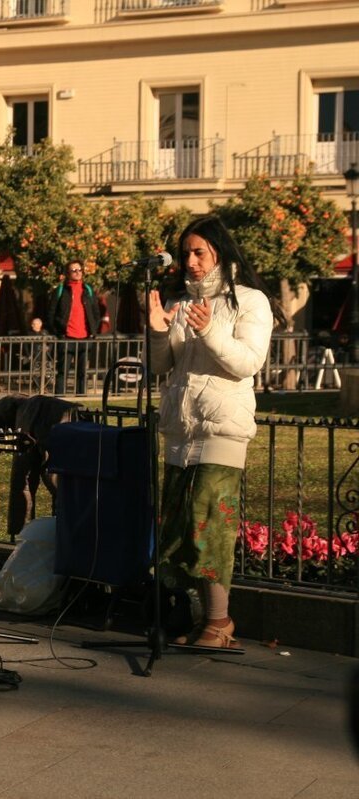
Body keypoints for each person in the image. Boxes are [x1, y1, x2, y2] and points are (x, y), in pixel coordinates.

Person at [148, 215, 277, 649]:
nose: (190, 261)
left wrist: (209, 329)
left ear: (219, 251)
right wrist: (158, 330)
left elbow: (247, 362)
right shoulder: (182, 302)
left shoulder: (250, 301)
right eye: (185, 253)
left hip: (222, 430)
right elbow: (162, 365)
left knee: (210, 527)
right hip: (181, 431)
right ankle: (205, 619)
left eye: (198, 252)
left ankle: (220, 622)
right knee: (183, 529)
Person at [46, 260, 97, 396]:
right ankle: (59, 399)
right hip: (66, 337)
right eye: (74, 270)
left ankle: (81, 398)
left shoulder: (88, 290)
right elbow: (50, 314)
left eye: (79, 270)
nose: (77, 273)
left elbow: (95, 312)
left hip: (85, 338)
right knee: (63, 371)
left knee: (82, 372)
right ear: (68, 274)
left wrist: (93, 331)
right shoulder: (61, 290)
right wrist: (57, 332)